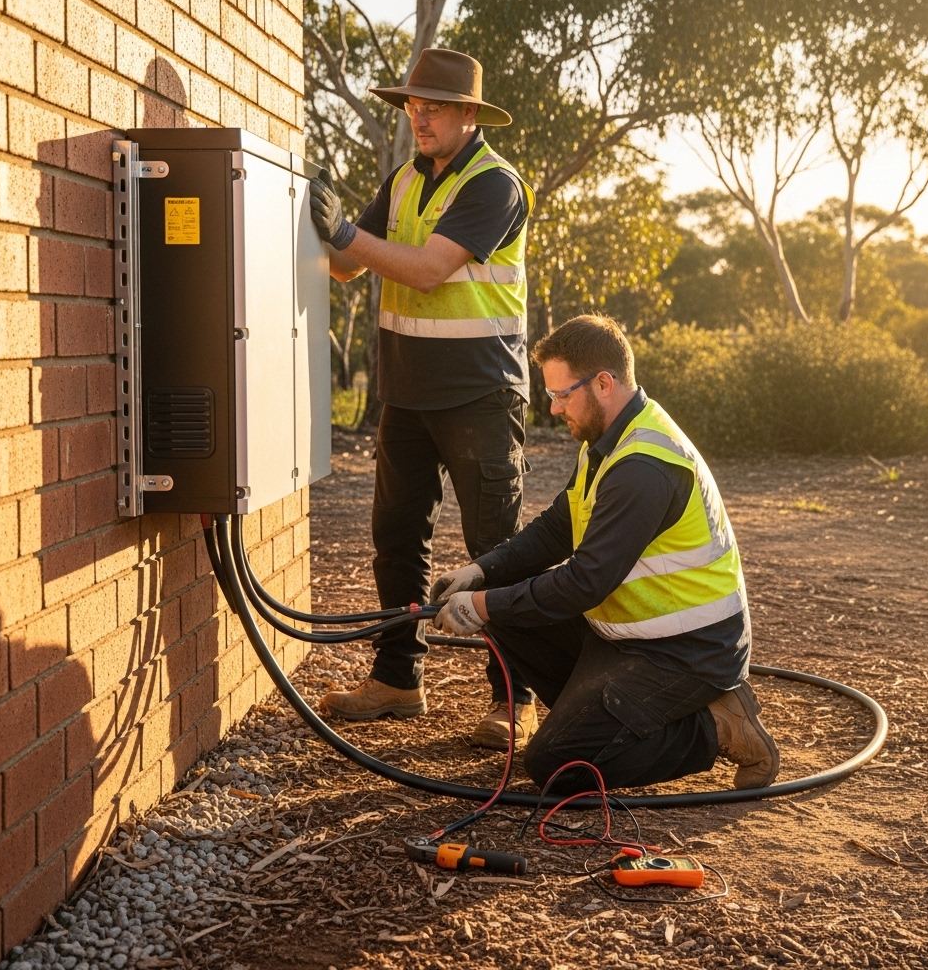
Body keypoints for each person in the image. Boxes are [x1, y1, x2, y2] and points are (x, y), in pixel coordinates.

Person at [431, 315, 780, 792]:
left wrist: (479, 606)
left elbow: (584, 581)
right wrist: (479, 573)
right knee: (501, 603)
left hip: (687, 651)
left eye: (561, 394)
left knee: (554, 766)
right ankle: (598, 719)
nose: (553, 409)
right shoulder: (606, 440)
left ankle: (717, 725)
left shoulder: (644, 467)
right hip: (626, 634)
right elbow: (559, 527)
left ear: (603, 383)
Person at [308, 48, 539, 750]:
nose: (420, 117)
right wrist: (321, 224)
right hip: (407, 395)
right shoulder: (406, 179)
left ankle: (515, 697)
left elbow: (433, 271)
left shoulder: (495, 184)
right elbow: (348, 267)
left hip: (479, 394)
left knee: (495, 548)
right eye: (412, 105)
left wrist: (347, 233)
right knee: (396, 539)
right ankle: (397, 679)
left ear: (469, 114)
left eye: (433, 106)